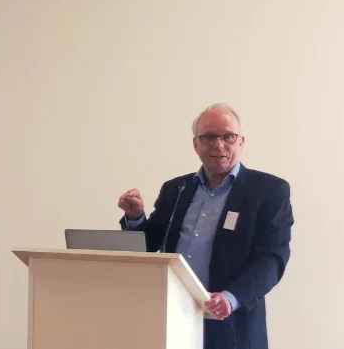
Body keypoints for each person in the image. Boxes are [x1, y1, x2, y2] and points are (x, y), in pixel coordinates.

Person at [117, 103, 293, 349]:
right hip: (171, 317)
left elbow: (272, 259)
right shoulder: (176, 189)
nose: (218, 145)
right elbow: (150, 244)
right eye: (209, 137)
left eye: (227, 136)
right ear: (196, 144)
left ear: (241, 141)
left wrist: (231, 298)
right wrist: (136, 217)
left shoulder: (268, 191)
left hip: (230, 322)